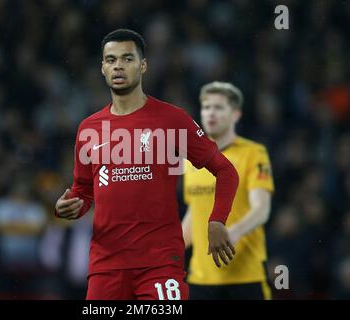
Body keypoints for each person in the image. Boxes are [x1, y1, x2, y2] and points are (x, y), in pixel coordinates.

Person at [54, 29, 239, 300]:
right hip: (106, 267)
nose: (118, 65)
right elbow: (83, 192)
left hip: (159, 264)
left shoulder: (172, 119)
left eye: (127, 59)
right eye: (111, 60)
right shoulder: (88, 129)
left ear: (143, 65)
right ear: (103, 68)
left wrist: (217, 221)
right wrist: (67, 207)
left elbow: (226, 171)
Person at [182, 82, 274, 299]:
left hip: (245, 278)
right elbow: (194, 215)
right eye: (206, 107)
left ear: (235, 115)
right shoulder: (190, 162)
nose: (210, 113)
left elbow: (261, 209)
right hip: (201, 281)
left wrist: (234, 232)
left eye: (218, 107)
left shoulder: (254, 153)